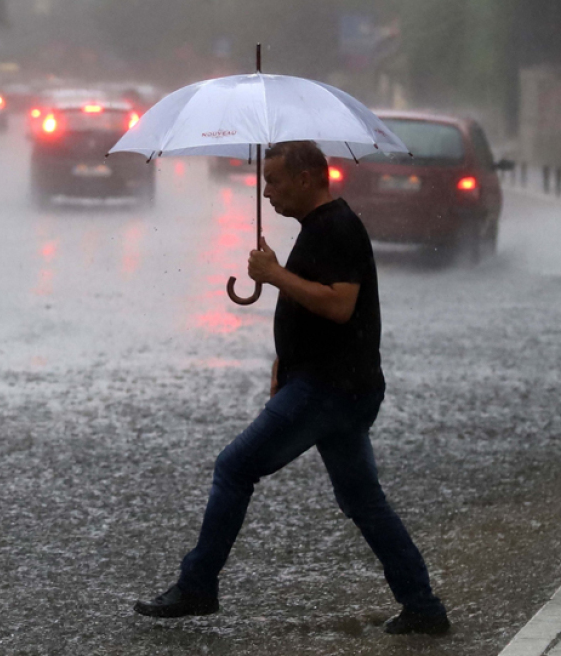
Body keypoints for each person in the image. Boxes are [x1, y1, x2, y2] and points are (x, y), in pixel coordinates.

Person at [134, 140, 450, 636]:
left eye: (275, 181)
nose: (267, 192)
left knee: (234, 467)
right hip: (334, 383)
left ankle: (197, 585)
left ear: (306, 179)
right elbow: (316, 309)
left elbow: (340, 305)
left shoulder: (338, 227)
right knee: (363, 499)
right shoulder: (318, 228)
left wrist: (277, 275)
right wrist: (287, 357)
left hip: (329, 388)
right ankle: (423, 607)